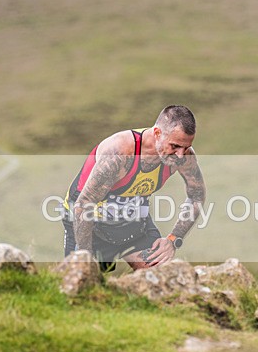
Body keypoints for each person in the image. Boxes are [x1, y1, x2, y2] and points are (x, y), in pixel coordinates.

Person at [61, 105, 206, 271]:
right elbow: (84, 204)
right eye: (174, 146)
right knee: (83, 284)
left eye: (185, 147)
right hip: (88, 224)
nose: (180, 155)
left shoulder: (184, 157)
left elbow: (197, 195)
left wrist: (174, 238)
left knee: (162, 278)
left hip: (134, 222)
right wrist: (85, 258)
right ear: (157, 133)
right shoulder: (120, 152)